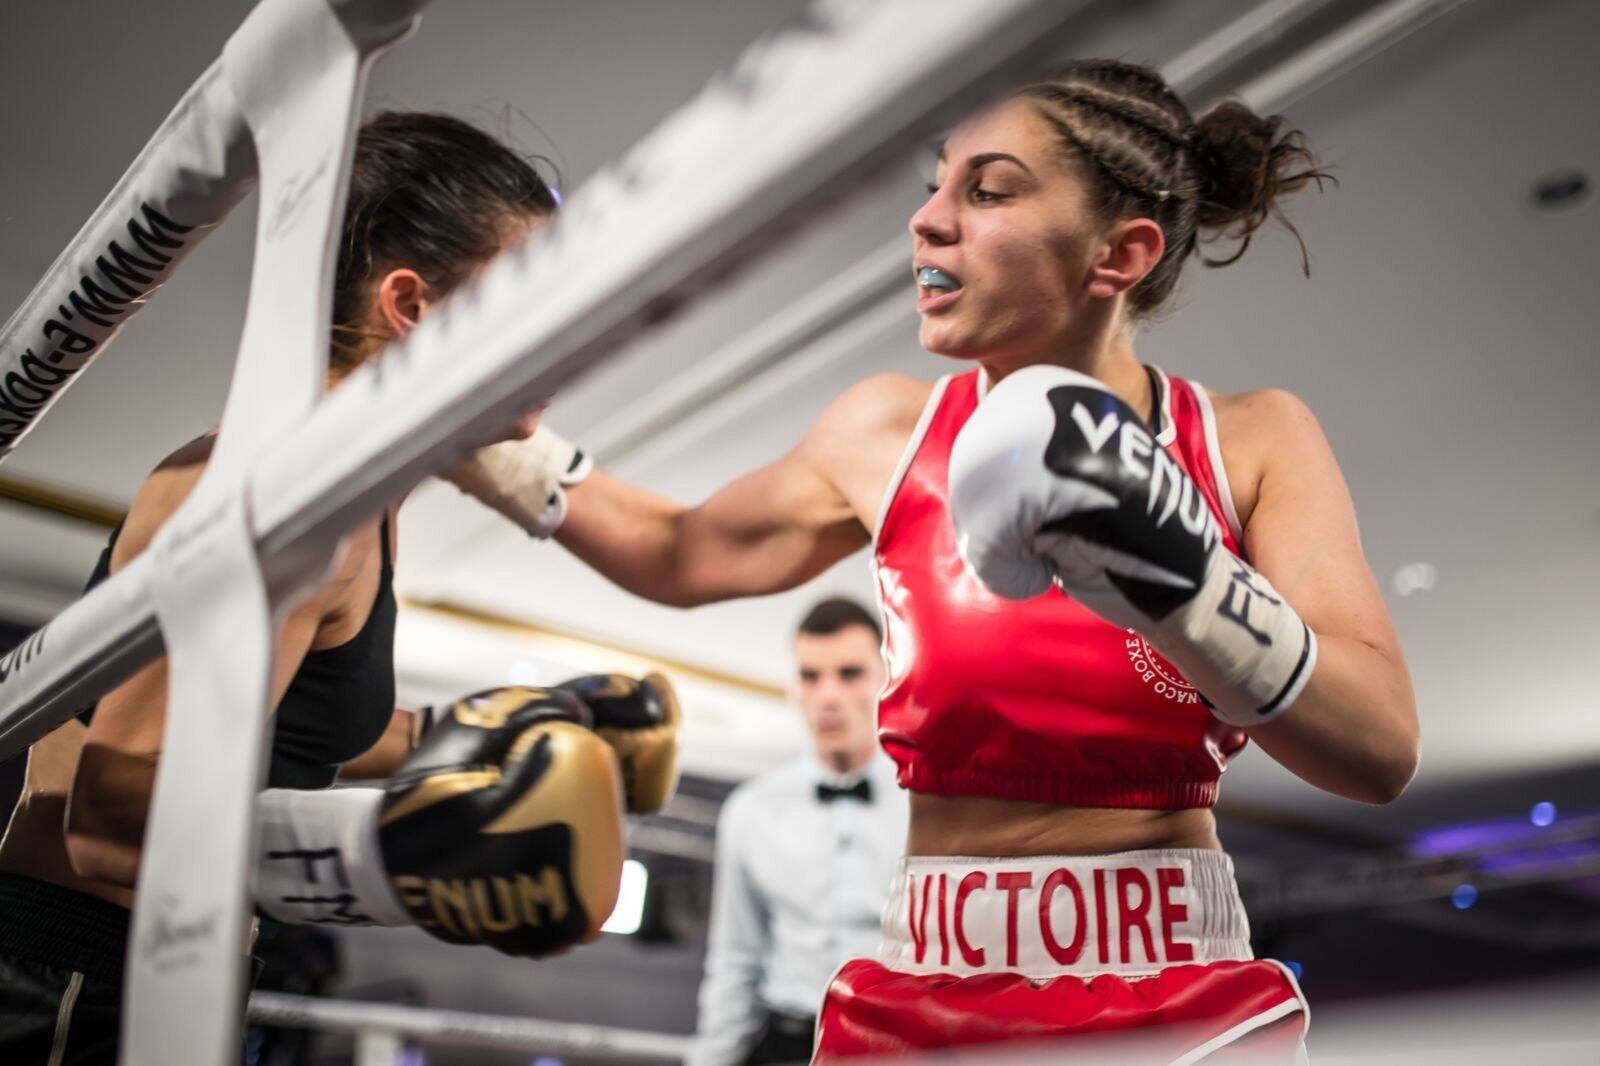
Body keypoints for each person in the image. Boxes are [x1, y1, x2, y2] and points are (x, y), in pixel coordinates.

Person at [451, 58, 1418, 1062]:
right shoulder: (883, 431)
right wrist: (466, 436)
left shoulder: (1250, 439)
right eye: (935, 182)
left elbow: (1379, 746)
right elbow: (677, 551)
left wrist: (1178, 574)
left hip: (1173, 999)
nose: (927, 219)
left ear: (1120, 252)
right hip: (921, 997)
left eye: (987, 190)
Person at [0, 111, 679, 1065]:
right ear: (411, 305)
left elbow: (290, 725)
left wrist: (499, 725)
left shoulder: (355, 494)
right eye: (536, 294)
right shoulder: (276, 500)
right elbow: (109, 821)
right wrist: (401, 860)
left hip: (154, 971)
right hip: (64, 983)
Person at [692, 598, 907, 1066]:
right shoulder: (750, 810)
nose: (828, 695)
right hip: (783, 1043)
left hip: (898, 1045)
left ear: (886, 676)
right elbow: (735, 961)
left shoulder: (931, 805)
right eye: (811, 676)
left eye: (849, 674)